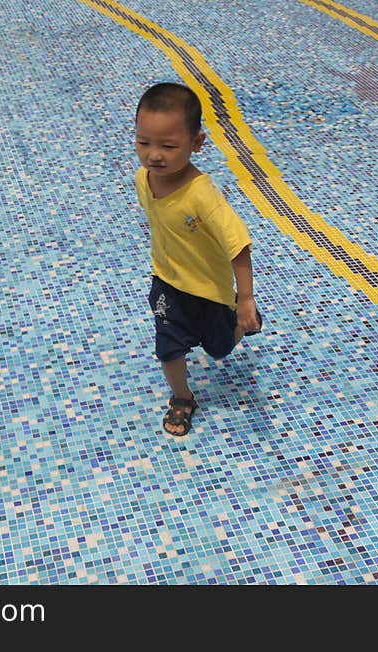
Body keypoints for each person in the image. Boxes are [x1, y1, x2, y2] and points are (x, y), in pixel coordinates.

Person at [133, 82, 262, 436]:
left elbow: (238, 245)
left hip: (209, 289)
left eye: (168, 146)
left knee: (219, 348)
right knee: (168, 346)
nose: (153, 155)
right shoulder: (144, 180)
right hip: (167, 285)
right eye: (144, 142)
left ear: (197, 143)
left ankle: (241, 320)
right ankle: (182, 398)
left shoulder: (202, 196)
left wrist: (246, 299)